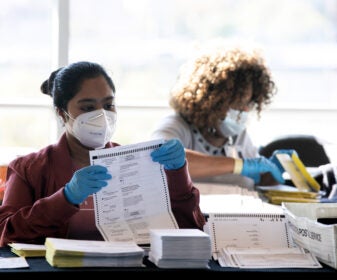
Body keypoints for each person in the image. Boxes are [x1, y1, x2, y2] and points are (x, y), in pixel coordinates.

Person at [0, 61, 205, 246]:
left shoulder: (136, 163)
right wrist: (65, 198)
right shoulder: (29, 169)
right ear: (61, 113)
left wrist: (178, 174)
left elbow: (190, 229)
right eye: (88, 107)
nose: (102, 116)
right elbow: (5, 233)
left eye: (108, 105)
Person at [151, 46, 295, 190]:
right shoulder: (176, 125)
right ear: (212, 100)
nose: (245, 110)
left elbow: (255, 183)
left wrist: (272, 173)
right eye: (238, 103)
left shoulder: (238, 135)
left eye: (248, 103)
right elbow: (158, 160)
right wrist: (238, 165)